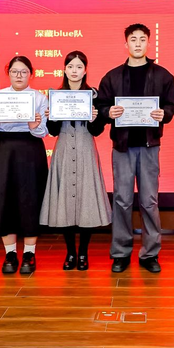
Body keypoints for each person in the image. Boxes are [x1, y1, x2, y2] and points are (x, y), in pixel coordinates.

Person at [95, 24, 174, 274]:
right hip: (122, 146)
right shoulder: (112, 77)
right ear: (126, 44)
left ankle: (150, 253)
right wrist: (109, 112)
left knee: (149, 201)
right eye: (133, 39)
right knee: (122, 200)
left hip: (149, 145)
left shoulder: (163, 75)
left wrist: (164, 113)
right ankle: (120, 253)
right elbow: (101, 106)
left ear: (148, 43)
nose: (138, 43)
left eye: (142, 39)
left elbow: (171, 105)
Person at [39, 51, 112, 271]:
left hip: (85, 148)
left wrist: (95, 118)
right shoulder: (56, 95)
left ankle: (83, 253)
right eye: (70, 66)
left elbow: (97, 130)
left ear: (85, 70)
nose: (74, 71)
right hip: (63, 149)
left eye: (79, 67)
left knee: (85, 200)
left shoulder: (93, 95)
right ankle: (70, 252)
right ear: (64, 69)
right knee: (65, 201)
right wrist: (51, 116)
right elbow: (52, 131)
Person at [0, 56, 49, 274]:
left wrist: (34, 125)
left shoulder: (39, 98)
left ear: (31, 74)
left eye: (23, 72)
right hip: (4, 150)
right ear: (8, 73)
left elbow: (44, 132)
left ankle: (29, 253)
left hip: (31, 150)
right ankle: (10, 253)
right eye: (14, 71)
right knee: (5, 199)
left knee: (31, 200)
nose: (19, 76)